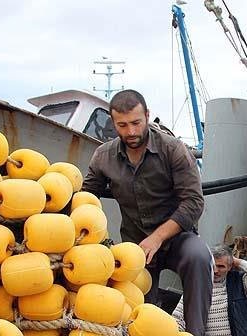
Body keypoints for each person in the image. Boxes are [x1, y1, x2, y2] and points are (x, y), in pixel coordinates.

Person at [82, 89, 213, 335]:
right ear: (113, 123)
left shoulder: (173, 149)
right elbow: (86, 198)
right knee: (139, 315)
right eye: (122, 125)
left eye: (136, 123)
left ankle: (196, 332)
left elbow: (194, 202)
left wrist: (157, 237)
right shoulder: (103, 156)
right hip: (134, 245)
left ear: (147, 116)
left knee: (199, 257)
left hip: (177, 239)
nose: (130, 132)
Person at [173, 244, 247, 336]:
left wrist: (237, 262)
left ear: (230, 267)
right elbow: (177, 319)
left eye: (221, 266)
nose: (215, 271)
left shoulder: (239, 282)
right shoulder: (196, 287)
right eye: (212, 265)